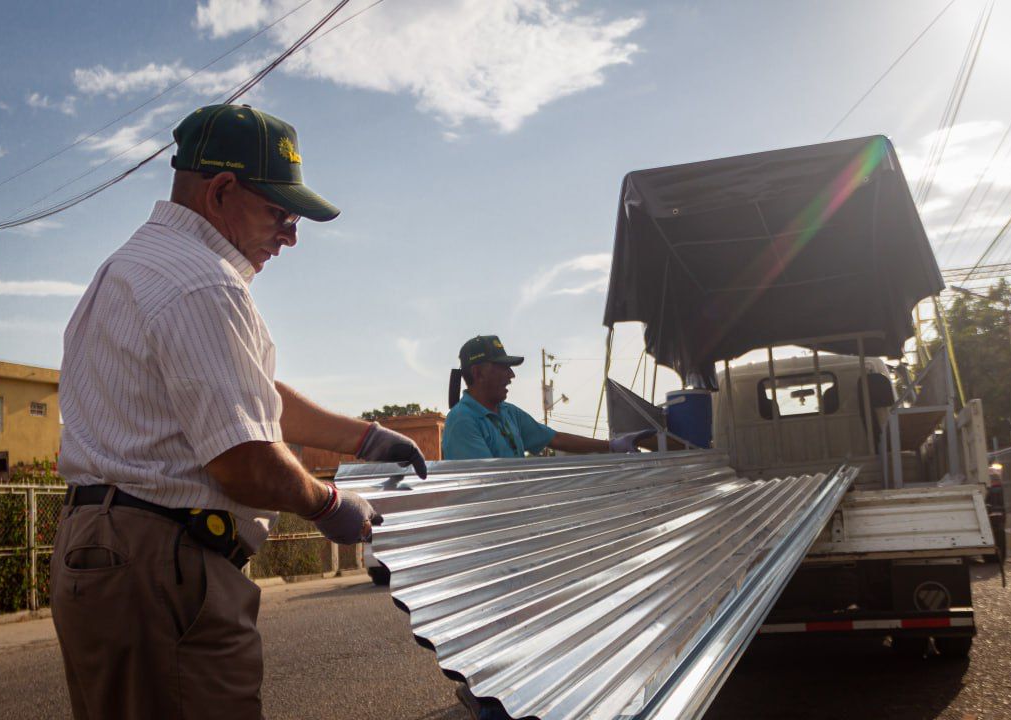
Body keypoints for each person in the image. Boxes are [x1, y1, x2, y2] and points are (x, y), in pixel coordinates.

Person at [51, 104, 427, 720]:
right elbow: (244, 459)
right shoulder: (204, 283)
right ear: (221, 190)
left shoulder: (133, 266)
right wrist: (330, 504)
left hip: (105, 551)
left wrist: (365, 437)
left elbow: (244, 395)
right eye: (281, 212)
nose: (290, 235)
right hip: (163, 564)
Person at [442, 335, 651, 459]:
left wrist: (612, 446)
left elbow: (556, 439)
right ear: (478, 373)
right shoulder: (462, 421)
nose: (511, 375)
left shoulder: (508, 413)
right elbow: (486, 487)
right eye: (503, 368)